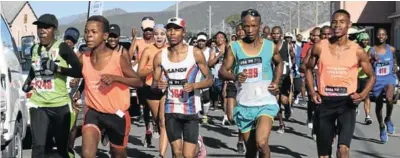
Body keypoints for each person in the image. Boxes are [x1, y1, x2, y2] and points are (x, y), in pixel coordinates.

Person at [305, 9, 375, 158]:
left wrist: (362, 95)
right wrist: (312, 92)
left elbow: (371, 76)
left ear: (349, 25)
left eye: (342, 22)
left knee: (343, 151)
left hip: (347, 103)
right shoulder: (319, 47)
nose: (337, 25)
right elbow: (308, 69)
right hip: (325, 103)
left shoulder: (357, 51)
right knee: (324, 155)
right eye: (334, 22)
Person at [219, 9, 283, 158]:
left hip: (266, 102)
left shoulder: (269, 46)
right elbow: (222, 71)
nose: (250, 30)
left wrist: (276, 82)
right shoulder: (234, 47)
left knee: (261, 143)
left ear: (260, 25)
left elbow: (279, 63)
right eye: (246, 26)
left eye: (254, 26)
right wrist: (235, 76)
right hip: (244, 104)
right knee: (252, 151)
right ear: (242, 26)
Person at [77, 15, 143, 158]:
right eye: (86, 31)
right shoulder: (84, 57)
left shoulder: (117, 58)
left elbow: (138, 82)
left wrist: (115, 78)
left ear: (105, 35)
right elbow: (78, 74)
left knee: (117, 154)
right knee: (86, 154)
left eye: (94, 32)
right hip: (93, 112)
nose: (89, 36)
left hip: (117, 114)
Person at [21, 14, 82, 158]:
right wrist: (28, 82)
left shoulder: (62, 48)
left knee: (61, 148)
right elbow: (33, 69)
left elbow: (79, 71)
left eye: (46, 27)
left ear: (54, 29)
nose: (41, 30)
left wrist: (58, 69)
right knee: (38, 146)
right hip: (39, 104)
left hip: (60, 105)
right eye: (39, 27)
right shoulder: (34, 49)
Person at [152, 17, 212, 158]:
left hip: (191, 110)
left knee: (188, 155)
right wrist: (158, 85)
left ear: (183, 32)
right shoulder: (160, 56)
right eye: (169, 29)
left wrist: (195, 85)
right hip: (171, 108)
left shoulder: (195, 53)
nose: (172, 33)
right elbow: (153, 85)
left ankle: (198, 145)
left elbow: (210, 79)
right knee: (177, 153)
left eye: (176, 29)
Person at [137, 24, 169, 157]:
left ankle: (162, 154)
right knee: (158, 120)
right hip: (151, 88)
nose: (159, 37)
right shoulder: (148, 50)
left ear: (166, 35)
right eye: (157, 34)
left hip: (167, 89)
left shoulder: (171, 49)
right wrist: (155, 67)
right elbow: (139, 72)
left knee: (163, 122)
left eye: (162, 34)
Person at [128, 16, 156, 147]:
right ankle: (148, 130)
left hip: (157, 79)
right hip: (143, 79)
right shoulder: (138, 42)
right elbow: (129, 55)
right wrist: (134, 39)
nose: (148, 32)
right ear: (142, 30)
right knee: (145, 107)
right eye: (146, 30)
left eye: (150, 29)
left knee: (156, 108)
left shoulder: (159, 41)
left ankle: (156, 124)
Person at [370, 28, 397, 143]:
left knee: (390, 99)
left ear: (386, 36)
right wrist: (372, 60)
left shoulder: (391, 49)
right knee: (379, 104)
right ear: (376, 36)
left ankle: (388, 119)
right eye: (379, 34)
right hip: (377, 80)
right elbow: (366, 64)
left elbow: (394, 59)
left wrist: (395, 65)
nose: (381, 36)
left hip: (389, 78)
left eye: (383, 34)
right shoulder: (371, 50)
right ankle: (381, 125)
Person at [271, 26, 295, 134]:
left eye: (277, 33)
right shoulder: (269, 46)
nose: (275, 35)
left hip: (285, 75)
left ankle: (288, 108)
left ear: (281, 34)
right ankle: (281, 124)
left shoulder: (287, 45)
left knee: (284, 100)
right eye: (274, 33)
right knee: (276, 101)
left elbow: (293, 56)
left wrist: (291, 65)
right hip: (274, 75)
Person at [208, 31, 228, 119]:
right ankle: (226, 112)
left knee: (226, 95)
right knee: (221, 96)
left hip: (228, 74)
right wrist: (218, 56)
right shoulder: (214, 50)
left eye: (221, 37)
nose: (219, 39)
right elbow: (210, 63)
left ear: (225, 39)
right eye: (217, 38)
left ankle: (227, 115)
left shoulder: (229, 48)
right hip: (218, 76)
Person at [196, 32, 212, 124]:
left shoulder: (210, 50)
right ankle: (197, 114)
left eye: (203, 41)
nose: (201, 43)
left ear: (206, 41)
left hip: (205, 76)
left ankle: (205, 115)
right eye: (199, 41)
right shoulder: (194, 50)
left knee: (206, 97)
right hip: (196, 76)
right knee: (196, 96)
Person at [356, 32, 373, 125]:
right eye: (364, 40)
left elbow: (371, 58)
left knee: (366, 96)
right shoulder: (355, 49)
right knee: (355, 95)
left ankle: (368, 116)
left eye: (367, 40)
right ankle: (355, 108)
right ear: (360, 40)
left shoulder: (369, 49)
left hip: (365, 76)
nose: (366, 42)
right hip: (354, 76)